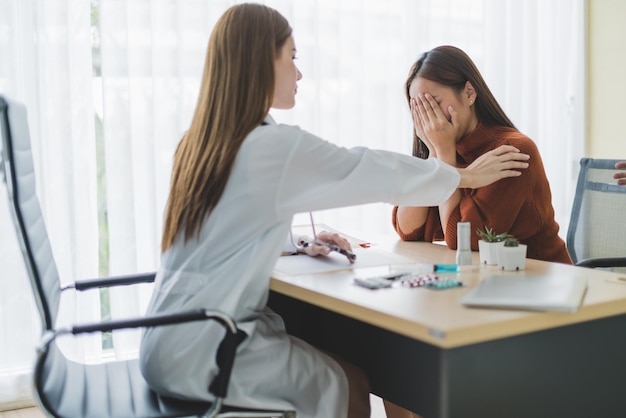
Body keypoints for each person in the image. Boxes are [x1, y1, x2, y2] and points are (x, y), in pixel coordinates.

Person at [138, 6, 529, 418]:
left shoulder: (201, 141)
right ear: (260, 62)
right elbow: (367, 169)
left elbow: (221, 230)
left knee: (351, 370)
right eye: (291, 57)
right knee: (347, 383)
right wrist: (461, 177)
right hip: (209, 350)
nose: (299, 73)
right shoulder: (270, 146)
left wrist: (292, 243)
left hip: (169, 339)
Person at [392, 45, 571, 265]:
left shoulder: (512, 151)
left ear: (469, 93)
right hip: (487, 280)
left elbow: (463, 241)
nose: (429, 119)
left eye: (434, 104)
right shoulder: (441, 149)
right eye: (419, 109)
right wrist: (435, 153)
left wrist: (446, 155)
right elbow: (407, 229)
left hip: (539, 283)